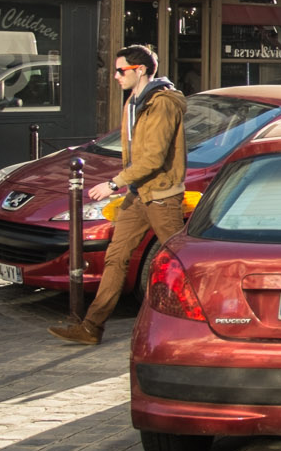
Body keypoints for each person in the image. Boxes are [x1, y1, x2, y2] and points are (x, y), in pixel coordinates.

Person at [49, 45, 188, 346]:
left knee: (182, 261)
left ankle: (195, 323)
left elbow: (153, 158)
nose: (114, 76)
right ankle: (91, 327)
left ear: (139, 71)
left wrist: (113, 184)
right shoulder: (134, 102)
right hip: (138, 195)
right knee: (116, 257)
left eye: (120, 70)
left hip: (162, 195)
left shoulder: (162, 103)